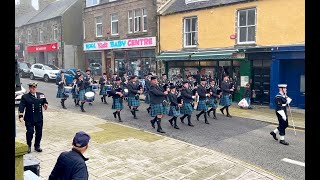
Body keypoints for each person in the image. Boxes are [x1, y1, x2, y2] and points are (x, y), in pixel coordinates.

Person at [18, 82, 48, 153]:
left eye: (35, 87)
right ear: (29, 88)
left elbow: (44, 102)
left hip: (39, 118)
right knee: (30, 132)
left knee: (39, 133)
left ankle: (37, 146)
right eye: (32, 87)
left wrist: (45, 105)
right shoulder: (25, 97)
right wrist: (20, 116)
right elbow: (21, 106)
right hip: (29, 118)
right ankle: (28, 145)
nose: (33, 88)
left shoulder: (41, 95)